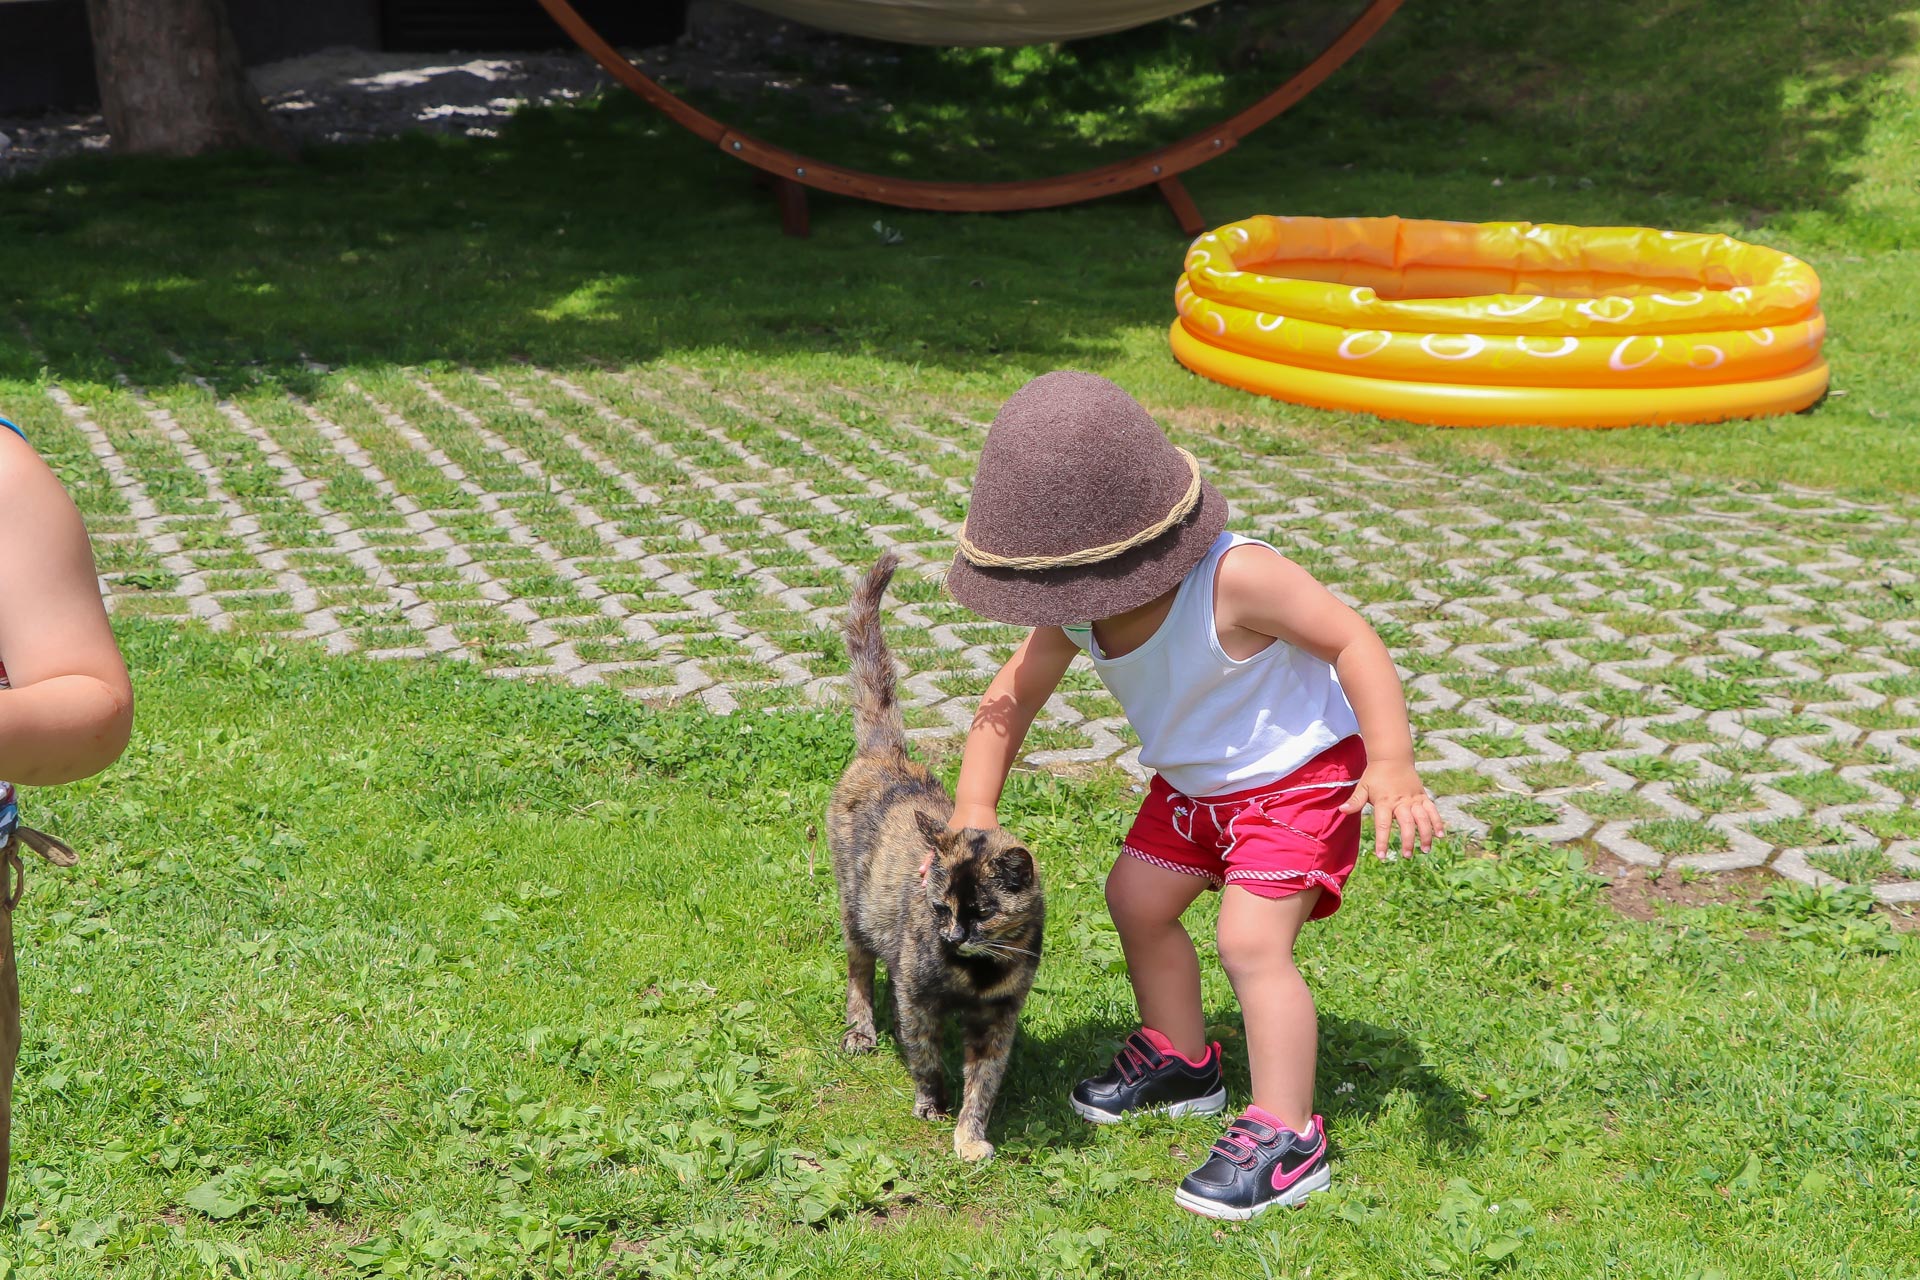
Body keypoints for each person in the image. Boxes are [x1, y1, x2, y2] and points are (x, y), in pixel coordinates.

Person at [939, 372, 1441, 1220]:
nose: (1057, 608)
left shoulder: (1237, 579)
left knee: (1251, 941)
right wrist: (972, 816)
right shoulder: (1078, 606)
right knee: (1135, 898)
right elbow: (1009, 701)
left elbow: (1353, 637)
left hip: (1296, 785)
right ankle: (1182, 1059)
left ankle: (1288, 1136)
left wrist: (1390, 760)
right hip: (1194, 789)